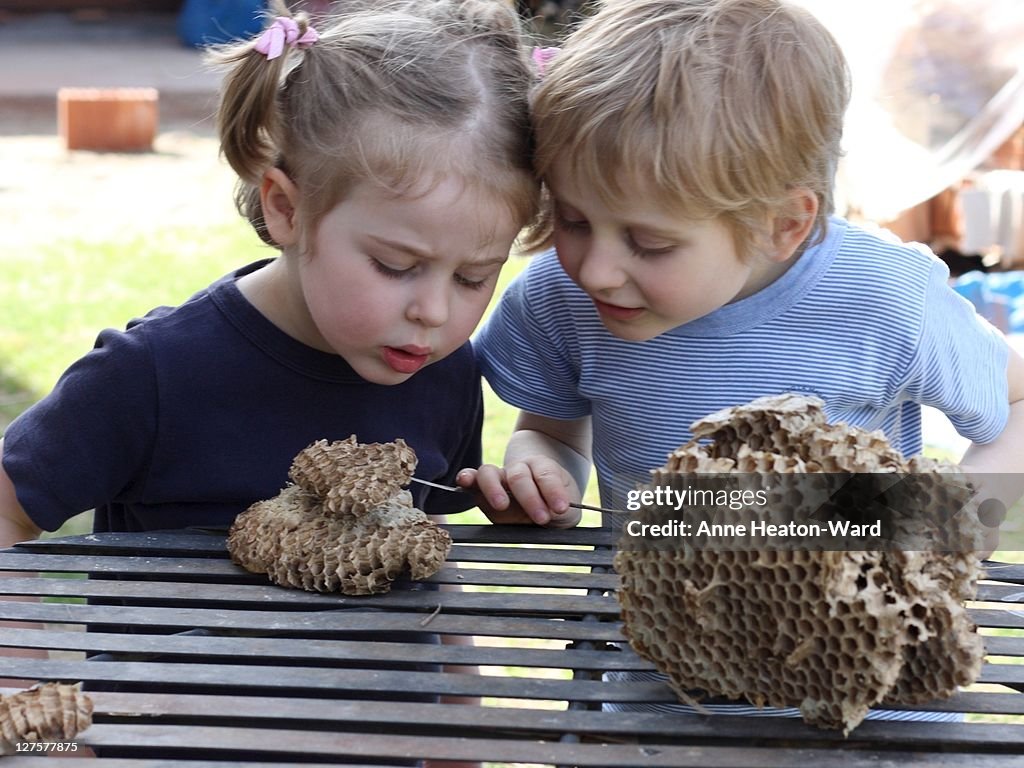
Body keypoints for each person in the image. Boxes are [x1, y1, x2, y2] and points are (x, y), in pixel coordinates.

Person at [459, 0, 1024, 719]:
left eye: (650, 243)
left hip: (870, 668)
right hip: (658, 663)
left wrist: (944, 528)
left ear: (783, 226)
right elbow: (554, 430)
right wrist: (543, 474)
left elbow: (1016, 404)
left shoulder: (884, 298)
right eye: (571, 219)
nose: (597, 268)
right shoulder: (564, 299)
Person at [0, 1, 537, 747]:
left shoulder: (444, 372)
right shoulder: (151, 375)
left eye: (477, 276)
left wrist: (457, 738)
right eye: (396, 266)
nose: (435, 313)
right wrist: (23, 696)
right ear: (286, 207)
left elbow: (429, 581)